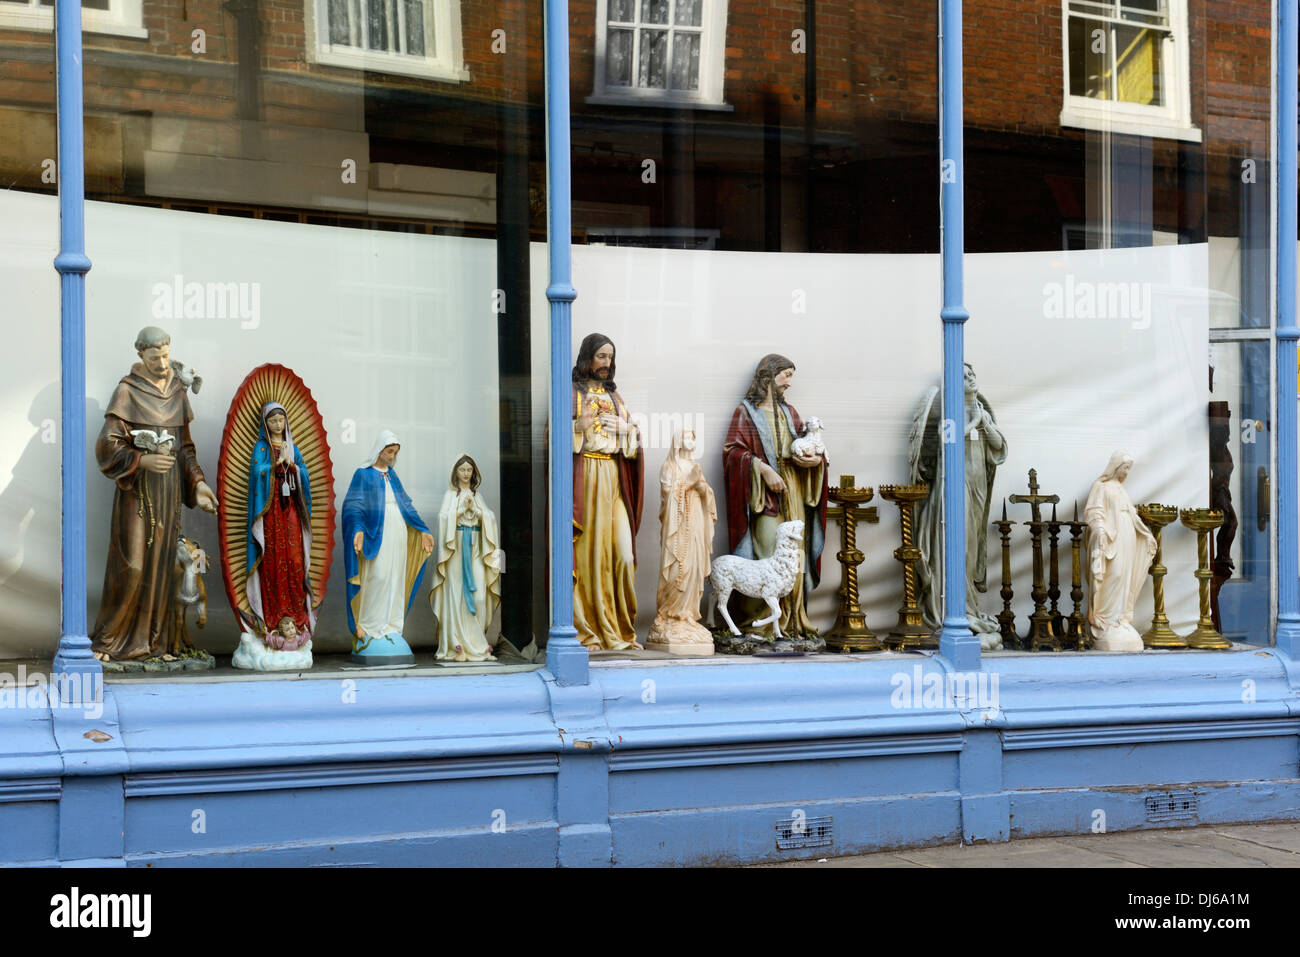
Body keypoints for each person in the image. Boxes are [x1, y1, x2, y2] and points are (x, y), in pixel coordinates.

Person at [92, 326, 219, 661]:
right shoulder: (127, 390)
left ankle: (154, 644)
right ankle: (108, 642)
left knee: (162, 569)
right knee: (132, 566)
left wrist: (198, 485)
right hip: (137, 492)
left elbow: (185, 449)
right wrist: (142, 460)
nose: (163, 363)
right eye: (154, 357)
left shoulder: (178, 389)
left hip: (169, 493)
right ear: (140, 355)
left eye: (165, 355)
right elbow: (107, 446)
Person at [722, 354, 828, 637]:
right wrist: (761, 469)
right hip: (764, 495)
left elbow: (806, 446)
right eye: (786, 375)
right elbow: (732, 452)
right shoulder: (744, 413)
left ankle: (791, 620)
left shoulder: (790, 413)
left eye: (792, 376)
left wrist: (814, 462)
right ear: (768, 376)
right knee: (769, 551)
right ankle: (761, 621)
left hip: (793, 488)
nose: (789, 383)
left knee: (794, 554)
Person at [909, 363, 1007, 648]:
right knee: (958, 547)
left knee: (973, 546)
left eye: (972, 374)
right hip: (954, 486)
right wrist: (974, 421)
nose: (970, 379)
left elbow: (999, 448)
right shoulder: (948, 410)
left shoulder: (981, 409)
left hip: (977, 486)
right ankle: (954, 612)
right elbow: (945, 441)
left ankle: (969, 609)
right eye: (963, 376)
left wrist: (983, 421)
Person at [571, 333, 644, 651]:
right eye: (601, 356)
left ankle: (620, 630)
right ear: (588, 357)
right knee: (589, 557)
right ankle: (587, 630)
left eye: (610, 357)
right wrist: (579, 426)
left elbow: (632, 444)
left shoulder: (616, 398)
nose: (606, 363)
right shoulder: (572, 392)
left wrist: (629, 432)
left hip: (613, 477)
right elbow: (553, 437)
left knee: (624, 556)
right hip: (586, 475)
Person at [341, 431, 434, 663]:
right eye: (389, 451)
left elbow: (406, 505)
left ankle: (391, 628)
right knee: (378, 576)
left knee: (395, 577)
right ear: (379, 450)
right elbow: (353, 505)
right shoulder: (363, 474)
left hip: (398, 532)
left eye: (395, 453)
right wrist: (358, 529)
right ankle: (370, 628)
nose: (392, 457)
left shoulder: (392, 476)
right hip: (377, 533)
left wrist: (422, 529)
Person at [245, 401, 315, 646]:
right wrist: (275, 465)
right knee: (273, 560)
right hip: (271, 512)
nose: (277, 424)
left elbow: (304, 475)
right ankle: (274, 618)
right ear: (265, 423)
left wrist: (293, 465)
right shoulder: (261, 448)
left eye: (280, 419)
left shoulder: (292, 448)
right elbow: (256, 473)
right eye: (273, 420)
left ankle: (297, 616)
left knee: (294, 559)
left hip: (291, 513)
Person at [647, 429, 717, 653]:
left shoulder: (696, 467)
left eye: (693, 438)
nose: (690, 442)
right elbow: (667, 496)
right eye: (686, 437)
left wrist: (700, 486)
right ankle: (670, 614)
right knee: (680, 567)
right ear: (678, 442)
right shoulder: (670, 466)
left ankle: (687, 615)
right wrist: (687, 486)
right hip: (677, 525)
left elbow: (708, 495)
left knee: (694, 566)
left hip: (695, 520)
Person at [429, 454, 504, 662]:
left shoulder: (477, 495)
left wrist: (478, 512)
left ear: (474, 473)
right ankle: (457, 644)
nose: (465, 474)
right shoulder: (450, 495)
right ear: (456, 472)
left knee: (479, 595)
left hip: (476, 549)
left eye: (469, 470)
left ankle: (478, 644)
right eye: (461, 470)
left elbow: (490, 519)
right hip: (456, 548)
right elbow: (443, 518)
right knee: (456, 594)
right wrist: (462, 509)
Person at [1084, 450, 1156, 651]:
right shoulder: (1101, 486)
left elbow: (1131, 514)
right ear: (1115, 467)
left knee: (1125, 575)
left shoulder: (1121, 489)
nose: (1126, 471)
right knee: (1113, 574)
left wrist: (1145, 533)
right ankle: (1106, 620)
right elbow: (1092, 511)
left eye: (1128, 469)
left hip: (1127, 536)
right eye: (1125, 467)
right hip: (1110, 537)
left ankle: (1121, 619)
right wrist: (1099, 528)